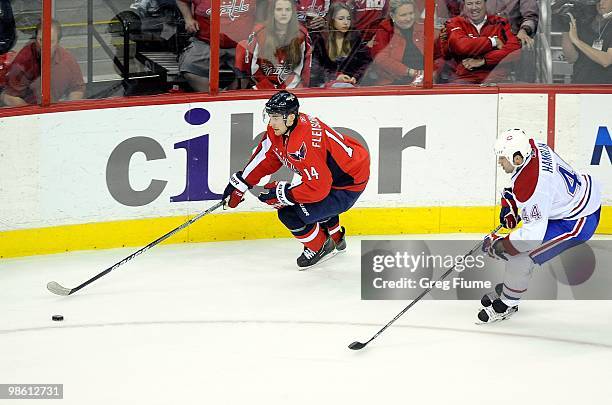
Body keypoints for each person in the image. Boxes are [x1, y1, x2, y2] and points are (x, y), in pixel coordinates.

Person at [222, 91, 370, 269]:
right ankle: (337, 238)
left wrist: (284, 194)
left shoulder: (303, 142)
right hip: (337, 173)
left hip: (348, 184)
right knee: (312, 204)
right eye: (270, 116)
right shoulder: (282, 129)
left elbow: (319, 188)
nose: (271, 122)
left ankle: (321, 245)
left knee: (289, 214)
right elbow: (266, 157)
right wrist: (241, 183)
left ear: (291, 117)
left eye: (276, 117)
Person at [478, 129, 602, 323]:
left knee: (520, 256)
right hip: (573, 199)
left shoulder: (533, 184)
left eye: (503, 158)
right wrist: (511, 203)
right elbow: (531, 185)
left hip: (578, 220)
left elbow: (530, 237)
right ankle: (512, 286)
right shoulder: (534, 147)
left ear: (517, 158)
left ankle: (508, 304)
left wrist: (499, 245)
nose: (500, 162)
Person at [176, 0, 257, 91]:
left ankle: (230, 96)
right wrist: (188, 19)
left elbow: (268, 7)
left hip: (242, 43)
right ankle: (213, 97)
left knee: (250, 71)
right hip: (207, 41)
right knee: (189, 66)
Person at [1, 20, 85, 106]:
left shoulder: (67, 59)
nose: (44, 46)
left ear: (58, 42)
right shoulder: (24, 59)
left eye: (50, 41)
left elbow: (77, 89)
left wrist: (67, 110)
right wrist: (36, 116)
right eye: (40, 40)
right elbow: (8, 97)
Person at [234, 0, 312, 89]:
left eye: (287, 10)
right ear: (272, 12)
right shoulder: (260, 33)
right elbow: (253, 68)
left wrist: (285, 89)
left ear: (293, 12)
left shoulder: (301, 34)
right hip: (262, 86)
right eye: (279, 9)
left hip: (291, 87)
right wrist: (269, 87)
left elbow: (301, 71)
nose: (283, 13)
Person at [443, 0, 521, 84]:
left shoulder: (500, 22)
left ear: (485, 4)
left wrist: (483, 60)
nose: (474, 7)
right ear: (464, 5)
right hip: (465, 80)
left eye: (478, 3)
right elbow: (461, 46)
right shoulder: (454, 23)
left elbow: (515, 51)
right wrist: (493, 42)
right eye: (469, 4)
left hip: (498, 80)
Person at [310, 2, 372, 87]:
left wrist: (356, 77)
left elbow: (366, 62)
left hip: (351, 85)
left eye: (348, 19)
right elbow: (316, 68)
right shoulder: (321, 39)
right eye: (341, 19)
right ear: (331, 20)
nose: (346, 22)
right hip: (325, 85)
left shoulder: (355, 37)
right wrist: (336, 76)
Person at [370, 0, 430, 85]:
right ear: (392, 15)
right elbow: (380, 58)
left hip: (425, 81)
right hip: (393, 83)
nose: (409, 18)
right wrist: (410, 72)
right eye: (403, 15)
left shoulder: (422, 28)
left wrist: (431, 72)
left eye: (411, 13)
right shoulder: (384, 31)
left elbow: (437, 56)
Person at [561, 0, 612, 84]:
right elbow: (572, 58)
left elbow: (606, 60)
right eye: (598, 0)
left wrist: (576, 40)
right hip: (579, 84)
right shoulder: (586, 22)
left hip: (604, 89)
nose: (601, 3)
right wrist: (566, 28)